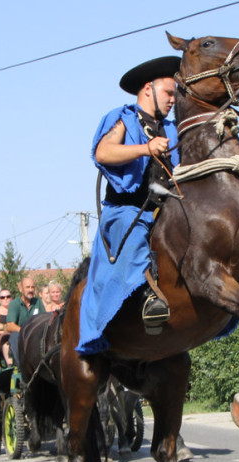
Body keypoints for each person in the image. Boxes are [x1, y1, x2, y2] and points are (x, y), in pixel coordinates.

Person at [76, 55, 181, 355]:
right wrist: (145, 149)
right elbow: (103, 152)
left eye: (175, 94)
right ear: (148, 89)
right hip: (126, 210)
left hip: (167, 209)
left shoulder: (172, 129)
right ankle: (149, 299)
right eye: (168, 93)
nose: (173, 99)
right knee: (133, 233)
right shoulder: (123, 118)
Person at [5, 276, 46, 370]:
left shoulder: (38, 302)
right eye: (28, 287)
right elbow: (10, 326)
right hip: (21, 336)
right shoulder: (14, 304)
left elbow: (44, 320)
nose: (31, 290)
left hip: (37, 336)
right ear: (21, 289)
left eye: (32, 287)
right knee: (14, 337)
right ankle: (22, 369)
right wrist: (26, 331)